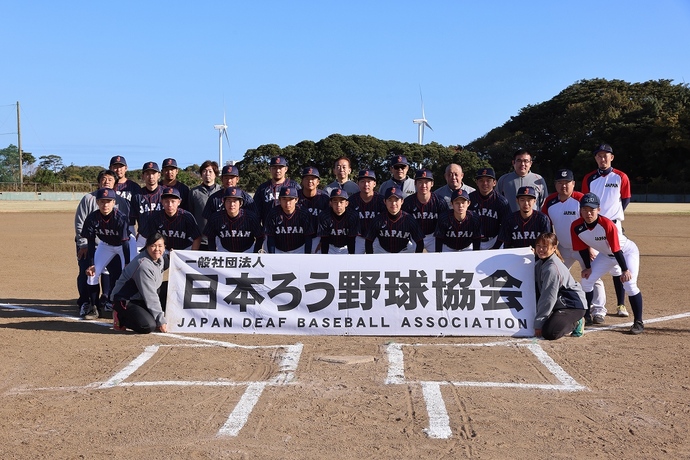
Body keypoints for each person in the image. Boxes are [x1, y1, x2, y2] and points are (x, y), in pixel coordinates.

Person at [571, 193, 645, 334]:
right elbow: (582, 249)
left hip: (626, 252)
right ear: (580, 210)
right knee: (586, 280)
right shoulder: (576, 226)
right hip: (605, 255)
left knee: (629, 284)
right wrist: (587, 267)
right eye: (585, 209)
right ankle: (587, 316)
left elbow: (617, 250)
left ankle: (638, 322)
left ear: (598, 210)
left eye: (592, 209)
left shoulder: (606, 224)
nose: (588, 213)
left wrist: (625, 270)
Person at [542, 169, 606, 324]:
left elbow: (592, 222)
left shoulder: (581, 200)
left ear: (573, 184)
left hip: (585, 246)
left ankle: (598, 310)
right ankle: (561, 306)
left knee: (593, 276)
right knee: (557, 276)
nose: (563, 186)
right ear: (555, 184)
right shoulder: (550, 202)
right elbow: (546, 225)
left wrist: (591, 246)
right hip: (563, 247)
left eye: (567, 183)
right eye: (560, 183)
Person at [581, 143, 633, 318]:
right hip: (593, 226)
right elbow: (585, 201)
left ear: (612, 157)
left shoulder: (621, 176)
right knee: (593, 265)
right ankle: (595, 308)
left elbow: (625, 199)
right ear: (595, 158)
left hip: (613, 225)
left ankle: (620, 304)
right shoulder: (589, 178)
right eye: (599, 156)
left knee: (617, 268)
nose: (602, 159)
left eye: (606, 155)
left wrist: (614, 217)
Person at [74, 169, 129, 312]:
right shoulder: (89, 200)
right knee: (89, 271)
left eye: (110, 179)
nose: (106, 182)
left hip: (117, 243)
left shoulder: (121, 204)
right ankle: (88, 303)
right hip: (94, 243)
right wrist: (83, 244)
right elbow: (81, 224)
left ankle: (112, 301)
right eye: (104, 179)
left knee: (117, 273)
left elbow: (126, 235)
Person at [110, 232, 169, 334]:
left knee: (170, 287)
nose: (157, 249)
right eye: (153, 246)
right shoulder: (143, 265)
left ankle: (148, 313)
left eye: (160, 246)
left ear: (165, 247)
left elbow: (173, 260)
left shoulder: (161, 258)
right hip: (125, 300)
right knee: (148, 326)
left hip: (141, 296)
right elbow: (150, 296)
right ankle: (120, 316)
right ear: (147, 246)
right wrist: (160, 321)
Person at [533, 232, 587, 340]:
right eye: (538, 246)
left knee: (549, 332)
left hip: (572, 306)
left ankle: (577, 322)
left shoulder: (552, 269)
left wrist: (539, 323)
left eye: (545, 247)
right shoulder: (540, 263)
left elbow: (548, 297)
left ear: (553, 248)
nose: (541, 249)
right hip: (559, 305)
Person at [204, 187, 264, 253]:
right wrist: (213, 253)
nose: (232, 204)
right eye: (229, 201)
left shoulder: (251, 217)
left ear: (240, 203)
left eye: (235, 201)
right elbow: (210, 236)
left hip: (248, 250)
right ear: (224, 202)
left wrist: (255, 253)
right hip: (224, 250)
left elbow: (260, 237)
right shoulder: (216, 218)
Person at [365, 187, 424, 254]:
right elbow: (369, 241)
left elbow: (419, 241)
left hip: (404, 250)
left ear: (402, 201)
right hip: (382, 250)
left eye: (396, 200)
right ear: (385, 201)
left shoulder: (409, 219)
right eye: (390, 200)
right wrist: (370, 258)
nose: (393, 203)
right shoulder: (378, 219)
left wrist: (417, 259)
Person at [402, 169, 447, 252]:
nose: (423, 185)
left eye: (427, 182)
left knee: (439, 258)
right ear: (415, 183)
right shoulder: (408, 202)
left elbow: (444, 224)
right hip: (413, 236)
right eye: (420, 182)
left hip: (433, 236)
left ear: (432, 184)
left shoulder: (439, 201)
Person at [468, 168, 511, 250]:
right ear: (476, 182)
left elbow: (506, 227)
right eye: (481, 180)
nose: (485, 183)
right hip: (472, 241)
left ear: (494, 182)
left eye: (488, 180)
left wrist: (496, 247)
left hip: (494, 240)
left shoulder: (501, 201)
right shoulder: (470, 199)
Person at [264, 186, 315, 254]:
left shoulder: (304, 213)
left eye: (291, 199)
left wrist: (306, 256)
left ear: (296, 200)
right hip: (278, 249)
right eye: (284, 199)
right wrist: (272, 255)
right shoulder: (273, 213)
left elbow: (308, 237)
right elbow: (270, 237)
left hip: (300, 249)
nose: (287, 203)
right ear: (279, 200)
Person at [348, 169, 386, 254]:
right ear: (358, 184)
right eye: (362, 181)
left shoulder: (381, 200)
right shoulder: (352, 200)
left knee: (378, 264)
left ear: (374, 184)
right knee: (355, 264)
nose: (366, 184)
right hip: (359, 238)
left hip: (377, 238)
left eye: (369, 181)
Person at [255, 156, 300, 225]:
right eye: (274, 168)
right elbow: (256, 212)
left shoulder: (294, 186)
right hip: (269, 229)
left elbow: (302, 208)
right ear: (270, 169)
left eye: (280, 168)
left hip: (291, 228)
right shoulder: (263, 188)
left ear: (286, 169)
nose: (277, 170)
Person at [130, 162, 165, 251]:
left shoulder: (165, 193)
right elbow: (132, 220)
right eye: (147, 174)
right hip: (143, 237)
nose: (151, 176)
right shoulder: (137, 196)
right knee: (136, 262)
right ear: (143, 176)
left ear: (159, 175)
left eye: (153, 173)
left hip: (162, 237)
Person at [188, 160, 222, 251]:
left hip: (219, 240)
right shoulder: (194, 192)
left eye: (210, 171)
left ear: (215, 174)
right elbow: (190, 214)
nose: (207, 174)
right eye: (204, 171)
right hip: (200, 240)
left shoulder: (222, 192)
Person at [297, 166, 330, 251]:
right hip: (297, 237)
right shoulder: (295, 197)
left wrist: (324, 241)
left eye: (313, 178)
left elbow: (330, 221)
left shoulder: (324, 198)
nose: (310, 181)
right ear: (302, 181)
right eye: (307, 178)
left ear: (318, 182)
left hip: (317, 238)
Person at [317, 189, 359, 254]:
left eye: (341, 202)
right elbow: (324, 239)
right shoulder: (324, 216)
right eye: (335, 201)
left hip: (346, 247)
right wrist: (324, 257)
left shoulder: (352, 215)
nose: (338, 205)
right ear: (330, 203)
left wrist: (351, 256)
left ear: (346, 203)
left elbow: (352, 239)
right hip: (330, 247)